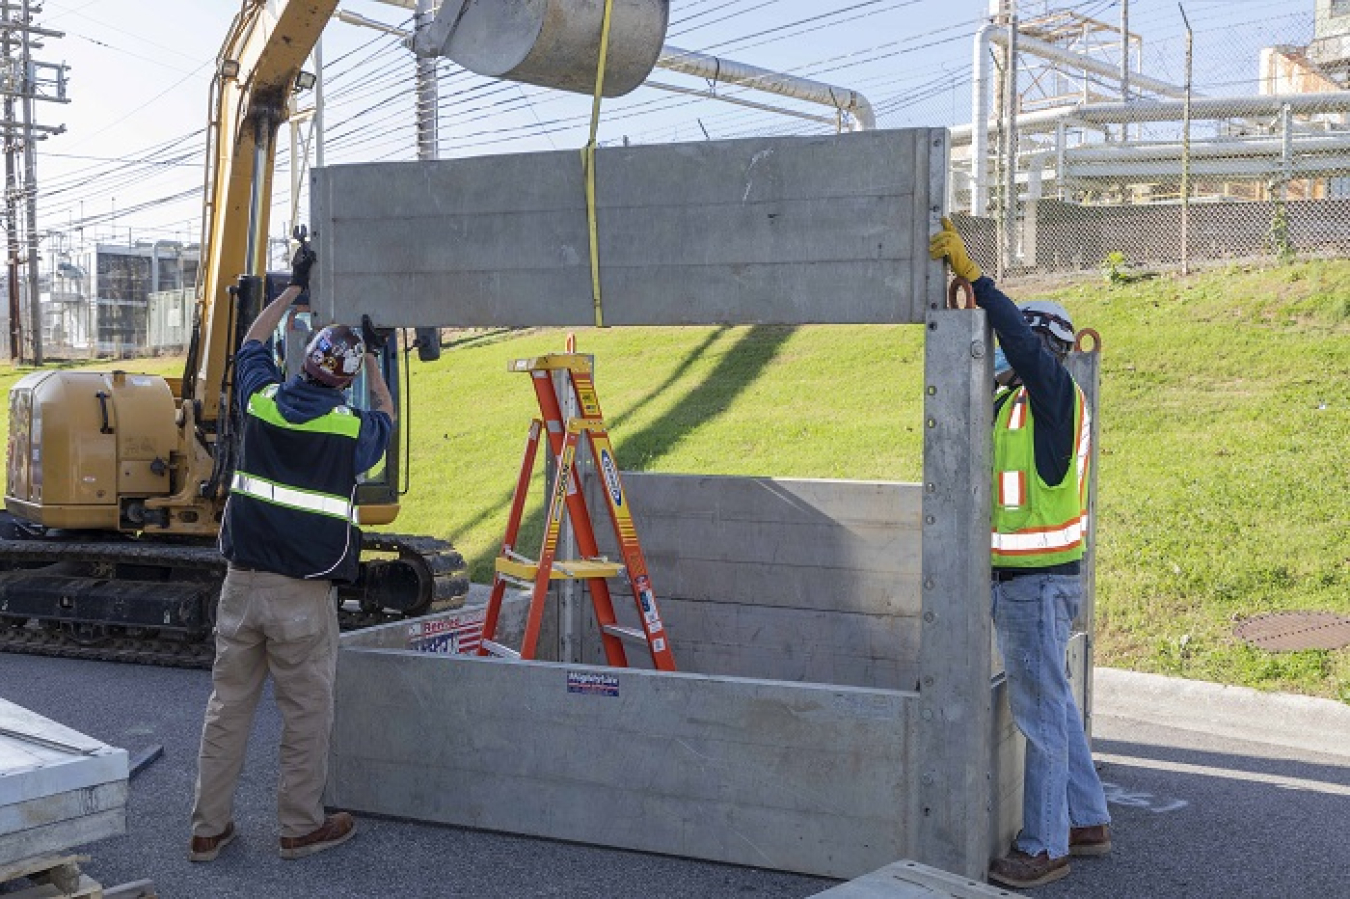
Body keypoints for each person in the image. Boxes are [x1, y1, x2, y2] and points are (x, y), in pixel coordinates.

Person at [189, 235, 394, 862]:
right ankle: (299, 826)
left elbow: (250, 342)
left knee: (228, 708)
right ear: (345, 381)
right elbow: (384, 411)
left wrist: (293, 292)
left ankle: (207, 829)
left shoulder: (261, 402)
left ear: (304, 362)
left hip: (241, 586)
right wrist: (378, 358)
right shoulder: (353, 431)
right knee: (306, 713)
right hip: (302, 598)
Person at [929, 217, 1111, 890]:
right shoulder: (1021, 406)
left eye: (1018, 342)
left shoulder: (1054, 391)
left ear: (1045, 347)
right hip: (1032, 582)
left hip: (1036, 586)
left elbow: (1022, 347)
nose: (1004, 352)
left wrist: (976, 279)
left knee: (1037, 714)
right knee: (1056, 702)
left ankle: (1044, 844)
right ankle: (1086, 819)